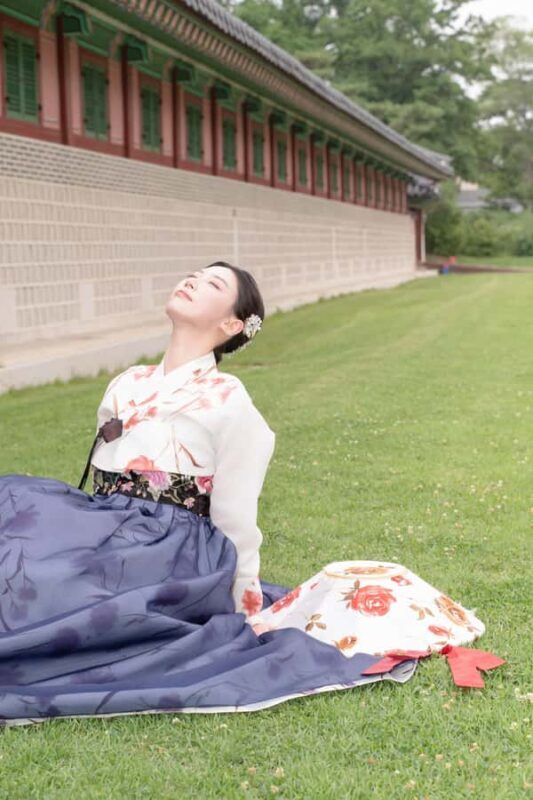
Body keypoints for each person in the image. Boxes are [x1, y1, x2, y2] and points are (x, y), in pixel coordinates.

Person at [0, 261, 502, 725]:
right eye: (195, 274)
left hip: (165, 544)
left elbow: (236, 516)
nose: (194, 280)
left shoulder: (230, 401)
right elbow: (103, 465)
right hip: (105, 517)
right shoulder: (125, 383)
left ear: (232, 325)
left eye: (214, 284)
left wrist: (244, 603)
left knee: (47, 582)